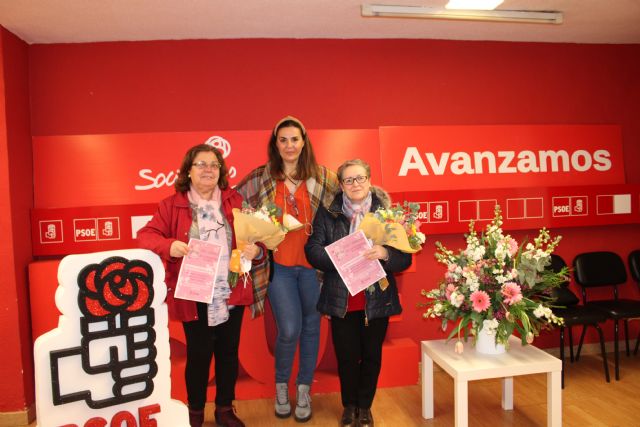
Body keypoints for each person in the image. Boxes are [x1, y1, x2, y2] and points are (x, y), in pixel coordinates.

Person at [138, 144, 266, 427]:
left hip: (231, 289)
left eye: (214, 165)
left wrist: (257, 250)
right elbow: (146, 235)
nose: (208, 169)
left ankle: (224, 410)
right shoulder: (171, 205)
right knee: (199, 355)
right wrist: (169, 245)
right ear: (188, 171)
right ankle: (194, 412)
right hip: (194, 291)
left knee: (228, 354)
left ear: (221, 171)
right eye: (201, 164)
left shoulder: (235, 201)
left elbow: (259, 237)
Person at [235, 116, 339, 422]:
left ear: (304, 142)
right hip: (279, 267)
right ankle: (281, 386)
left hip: (314, 269)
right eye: (283, 140)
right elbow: (235, 205)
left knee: (311, 327)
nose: (289, 145)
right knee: (290, 329)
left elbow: (348, 205)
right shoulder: (262, 176)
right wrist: (250, 237)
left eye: (294, 139)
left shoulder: (323, 177)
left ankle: (304, 388)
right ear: (275, 144)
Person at [304, 159, 412, 427]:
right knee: (346, 357)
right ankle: (349, 406)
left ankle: (365, 407)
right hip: (342, 298)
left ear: (369, 180)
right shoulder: (328, 212)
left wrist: (385, 253)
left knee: (372, 355)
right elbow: (312, 250)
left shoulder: (387, 213)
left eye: (360, 178)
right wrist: (341, 257)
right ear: (341, 185)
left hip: (376, 298)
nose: (355, 184)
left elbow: (405, 259)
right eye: (349, 180)